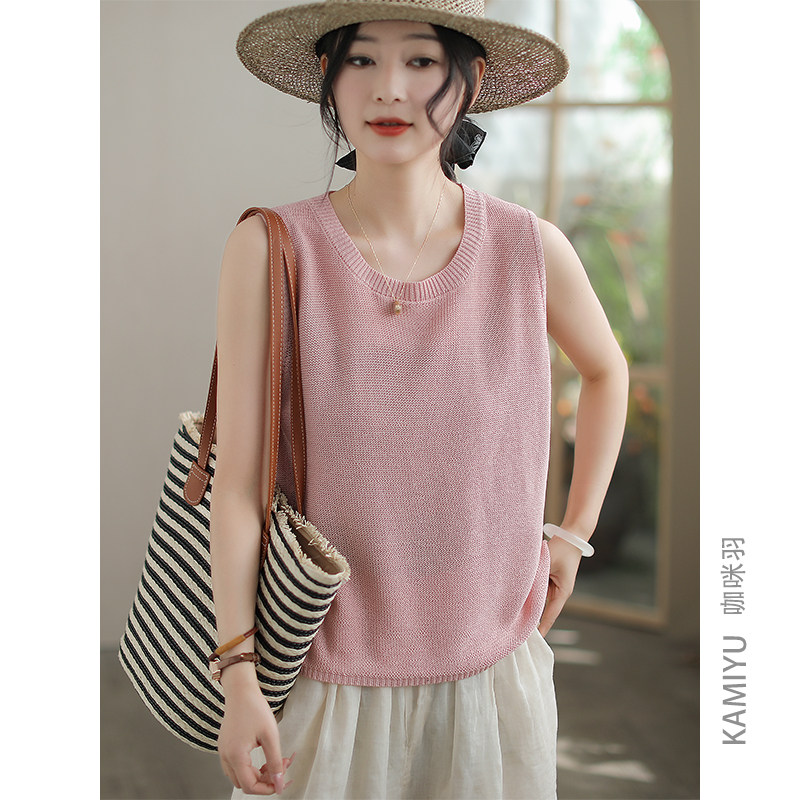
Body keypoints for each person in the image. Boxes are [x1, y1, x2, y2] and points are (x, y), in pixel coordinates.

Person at [209, 1, 629, 797]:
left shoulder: (528, 248)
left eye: (422, 61)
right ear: (328, 80)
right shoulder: (271, 249)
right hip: (320, 675)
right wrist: (237, 673)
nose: (389, 89)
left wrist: (572, 536)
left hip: (489, 672)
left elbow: (608, 372)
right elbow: (236, 484)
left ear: (469, 81)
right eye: (361, 60)